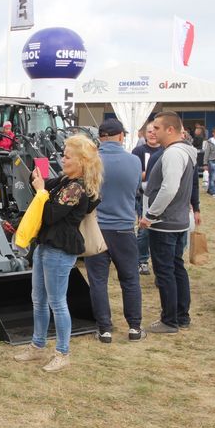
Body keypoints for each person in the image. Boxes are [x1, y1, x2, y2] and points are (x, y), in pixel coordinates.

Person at [14, 135, 102, 372]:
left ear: (82, 161)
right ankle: (37, 345)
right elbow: (46, 183)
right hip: (46, 245)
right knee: (38, 300)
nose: (62, 159)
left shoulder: (76, 187)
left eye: (67, 156)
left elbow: (50, 215)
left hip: (60, 249)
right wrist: (39, 170)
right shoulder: (66, 181)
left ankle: (63, 352)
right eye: (63, 154)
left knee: (57, 303)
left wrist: (41, 191)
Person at [84, 119, 145, 343]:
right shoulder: (134, 161)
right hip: (124, 228)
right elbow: (136, 190)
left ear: (100, 137)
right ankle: (135, 327)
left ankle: (104, 328)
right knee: (130, 280)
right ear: (121, 136)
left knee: (98, 281)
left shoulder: (91, 162)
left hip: (97, 228)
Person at [140, 111, 198, 333]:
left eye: (157, 127)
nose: (153, 131)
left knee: (166, 272)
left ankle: (170, 320)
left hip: (165, 222)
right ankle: (181, 316)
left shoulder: (173, 154)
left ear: (170, 130)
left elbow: (170, 187)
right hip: (176, 220)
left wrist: (151, 215)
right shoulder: (183, 152)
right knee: (175, 268)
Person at [131, 121, 163, 275]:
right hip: (142, 195)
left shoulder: (165, 151)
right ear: (144, 134)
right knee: (144, 230)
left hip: (161, 195)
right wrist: (148, 175)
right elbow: (135, 174)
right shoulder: (138, 151)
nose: (152, 134)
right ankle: (142, 260)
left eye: (155, 131)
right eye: (149, 131)